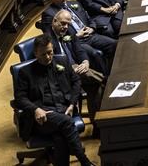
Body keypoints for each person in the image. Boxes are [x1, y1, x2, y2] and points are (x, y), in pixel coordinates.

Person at [13, 34, 95, 166]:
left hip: (64, 109)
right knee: (67, 123)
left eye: (50, 53)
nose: (47, 57)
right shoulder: (26, 72)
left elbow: (76, 81)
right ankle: (85, 161)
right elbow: (20, 98)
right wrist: (36, 109)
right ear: (35, 53)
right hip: (43, 116)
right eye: (43, 54)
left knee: (60, 137)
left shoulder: (62, 62)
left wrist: (72, 104)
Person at [41, 0, 118, 59]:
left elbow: (89, 18)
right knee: (95, 54)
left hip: (90, 35)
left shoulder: (74, 3)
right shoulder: (49, 13)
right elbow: (52, 38)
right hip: (76, 42)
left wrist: (92, 28)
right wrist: (76, 36)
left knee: (115, 44)